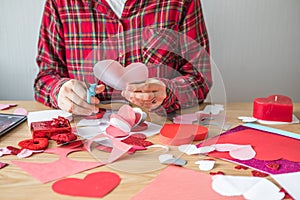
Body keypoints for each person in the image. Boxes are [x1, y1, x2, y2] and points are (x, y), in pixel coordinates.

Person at [34, 0, 211, 115]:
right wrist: (60, 91)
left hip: (161, 133)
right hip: (85, 138)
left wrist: (169, 91)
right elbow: (45, 78)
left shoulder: (181, 2)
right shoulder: (60, 3)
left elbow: (200, 79)